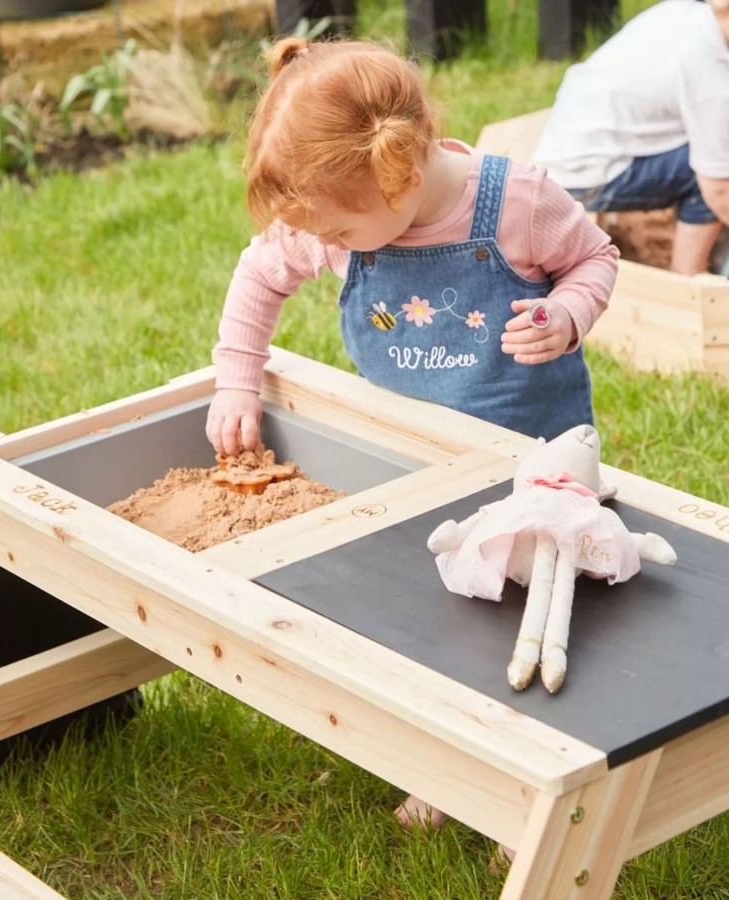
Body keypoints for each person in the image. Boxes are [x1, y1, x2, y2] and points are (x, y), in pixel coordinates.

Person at [205, 34, 619, 848]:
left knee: (526, 621)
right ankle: (445, 768)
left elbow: (595, 259)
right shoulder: (337, 217)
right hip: (417, 466)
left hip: (533, 464)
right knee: (430, 623)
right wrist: (234, 380)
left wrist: (568, 314)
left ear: (401, 172)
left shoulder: (518, 202)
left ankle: (533, 790)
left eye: (342, 230)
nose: (329, 245)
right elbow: (259, 274)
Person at [533, 0, 729, 276]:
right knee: (713, 171)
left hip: (576, 134)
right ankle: (689, 276)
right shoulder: (708, 73)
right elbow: (719, 190)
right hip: (587, 173)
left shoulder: (689, 14)